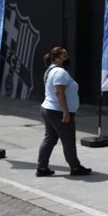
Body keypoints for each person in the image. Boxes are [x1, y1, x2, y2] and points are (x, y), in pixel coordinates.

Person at [36, 46, 91, 177]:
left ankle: (42, 167)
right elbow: (59, 92)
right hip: (57, 111)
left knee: (50, 139)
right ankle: (75, 167)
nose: (67, 58)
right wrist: (65, 112)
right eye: (64, 56)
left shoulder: (50, 70)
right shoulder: (60, 72)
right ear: (56, 58)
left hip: (49, 109)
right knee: (68, 140)